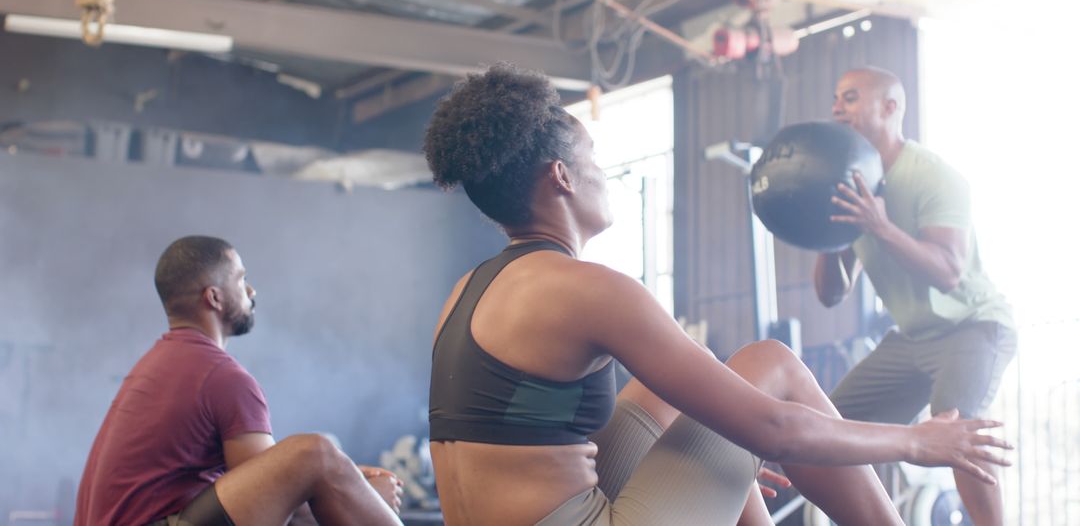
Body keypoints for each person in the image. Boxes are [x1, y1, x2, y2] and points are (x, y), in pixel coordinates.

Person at [422, 63, 1012, 526]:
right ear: (562, 177)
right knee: (770, 365)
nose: (602, 171)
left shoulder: (471, 289)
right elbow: (775, 430)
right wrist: (917, 441)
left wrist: (710, 475)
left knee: (670, 384)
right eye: (593, 158)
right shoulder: (589, 289)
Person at [75, 236, 404, 526]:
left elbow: (267, 487)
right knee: (313, 452)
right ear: (214, 298)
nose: (251, 290)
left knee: (320, 464)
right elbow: (287, 510)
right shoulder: (220, 376)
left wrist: (349, 482)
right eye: (241, 279)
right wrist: (369, 500)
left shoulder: (158, 364)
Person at [817, 66, 1017, 526]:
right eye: (835, 98)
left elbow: (948, 272)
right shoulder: (853, 187)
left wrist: (880, 226)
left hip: (973, 325)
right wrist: (825, 237)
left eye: (849, 97)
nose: (835, 108)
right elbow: (831, 295)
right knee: (829, 428)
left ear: (889, 108)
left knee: (953, 423)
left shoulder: (932, 175)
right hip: (911, 338)